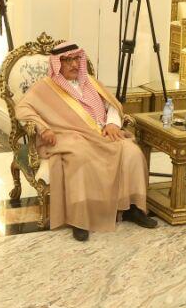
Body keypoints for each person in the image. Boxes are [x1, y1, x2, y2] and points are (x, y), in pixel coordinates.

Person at [13, 41, 154, 240]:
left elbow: (111, 105)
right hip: (69, 136)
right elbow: (22, 109)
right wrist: (43, 128)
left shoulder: (90, 82)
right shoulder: (45, 87)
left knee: (132, 153)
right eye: (67, 60)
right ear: (57, 64)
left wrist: (112, 123)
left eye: (76, 59)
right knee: (80, 158)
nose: (74, 64)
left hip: (102, 134)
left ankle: (132, 208)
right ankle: (79, 219)